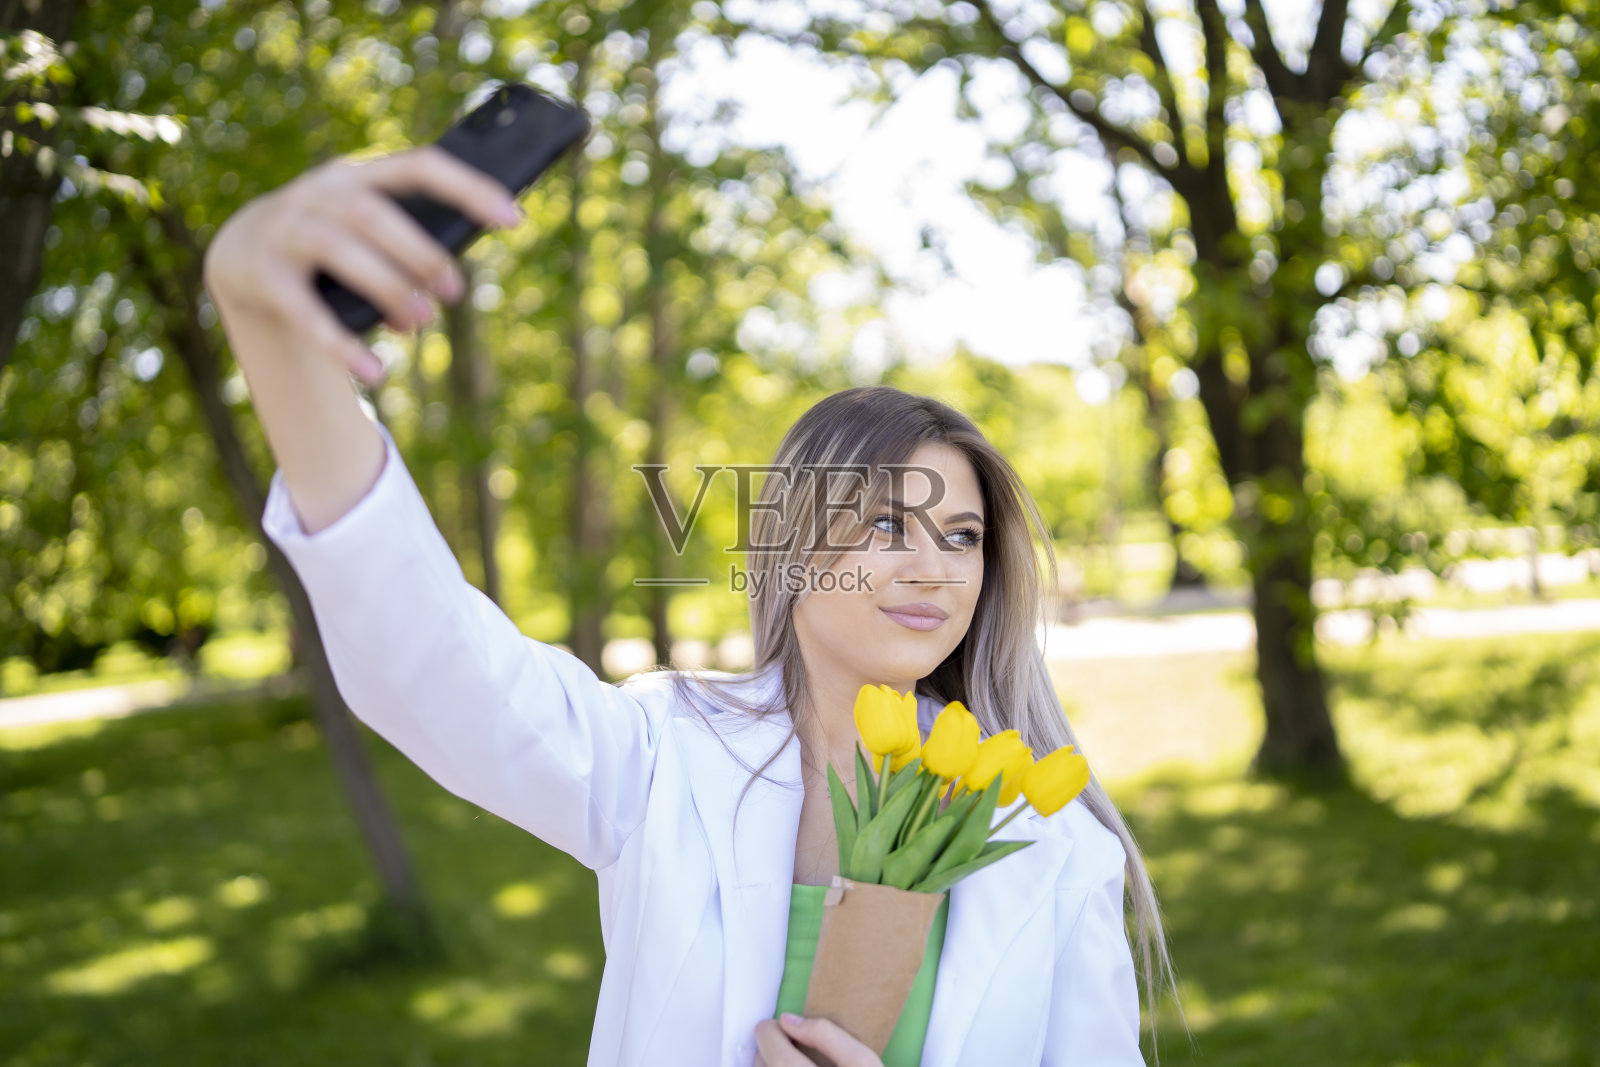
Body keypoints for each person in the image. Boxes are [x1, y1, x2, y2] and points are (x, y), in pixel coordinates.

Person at [203, 144, 1177, 1067]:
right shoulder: (662, 751)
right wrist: (269, 327)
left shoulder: (1048, 836)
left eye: (961, 535)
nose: (935, 565)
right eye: (887, 524)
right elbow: (435, 657)